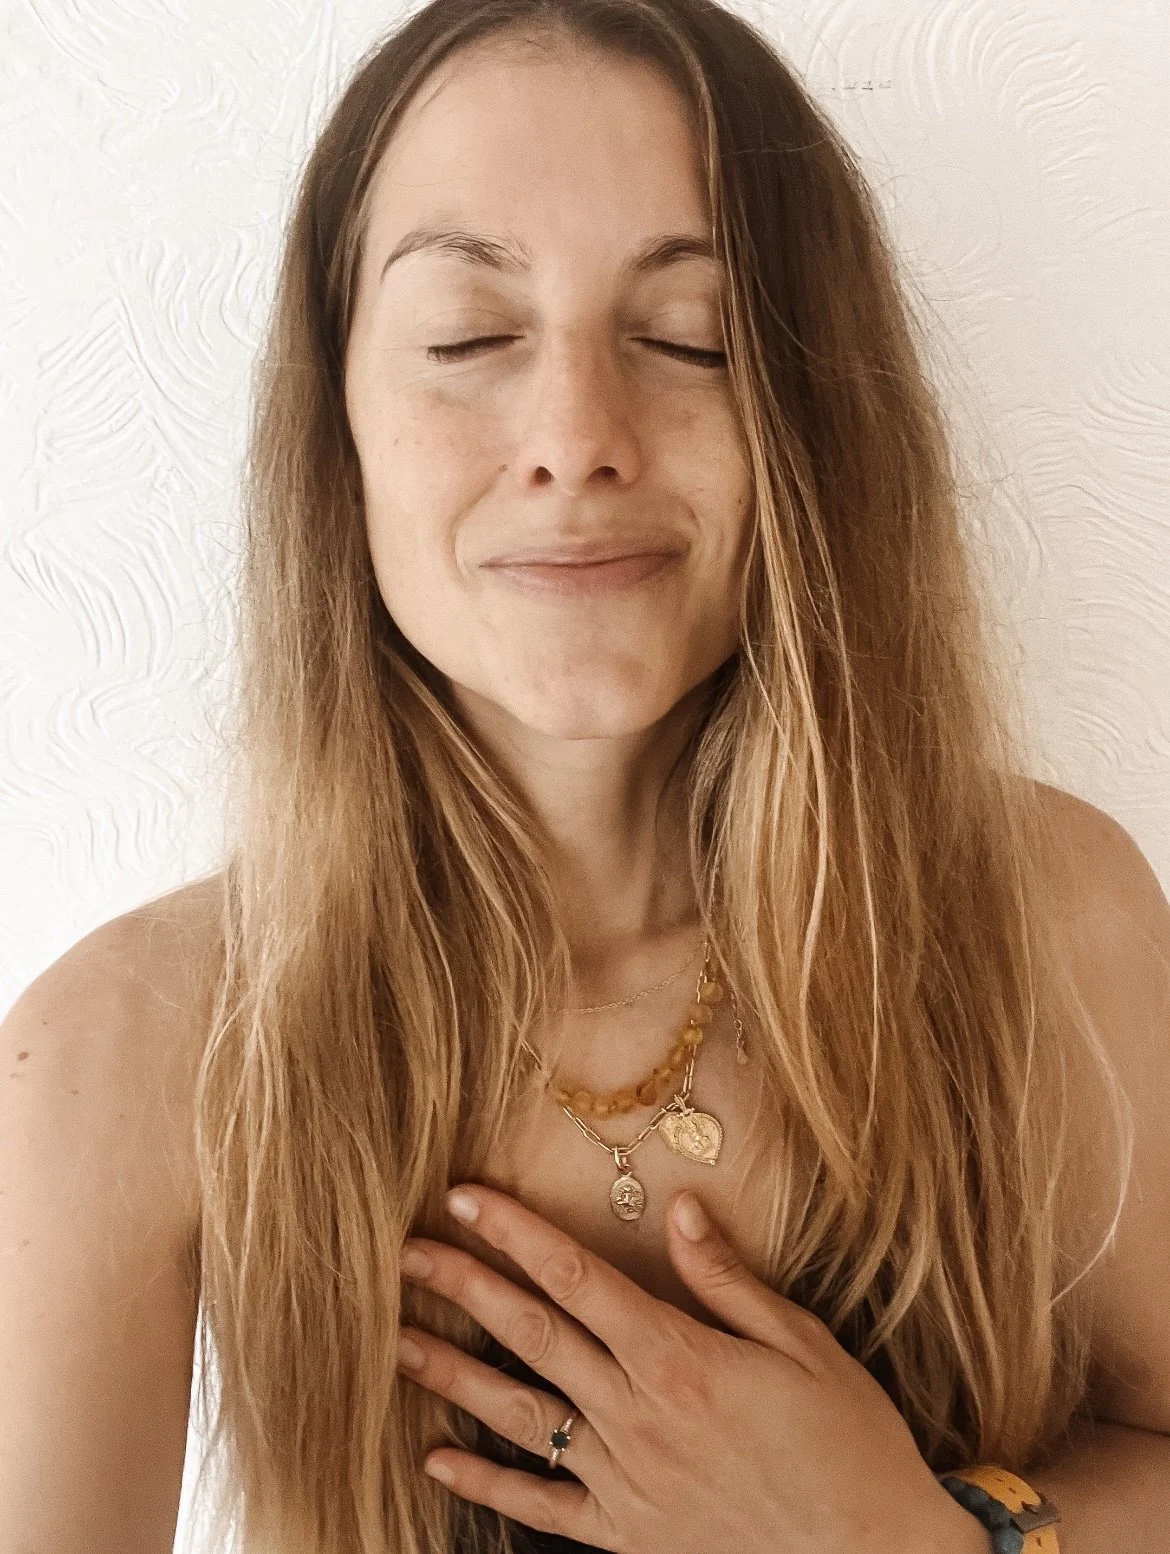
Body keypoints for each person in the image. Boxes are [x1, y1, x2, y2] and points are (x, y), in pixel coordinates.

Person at [4, 1, 1169, 1552]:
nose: (574, 437)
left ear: (814, 413)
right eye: (469, 340)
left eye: (688, 338)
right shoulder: (122, 1054)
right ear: (337, 426)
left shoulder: (1046, 912)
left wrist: (909, 1533)